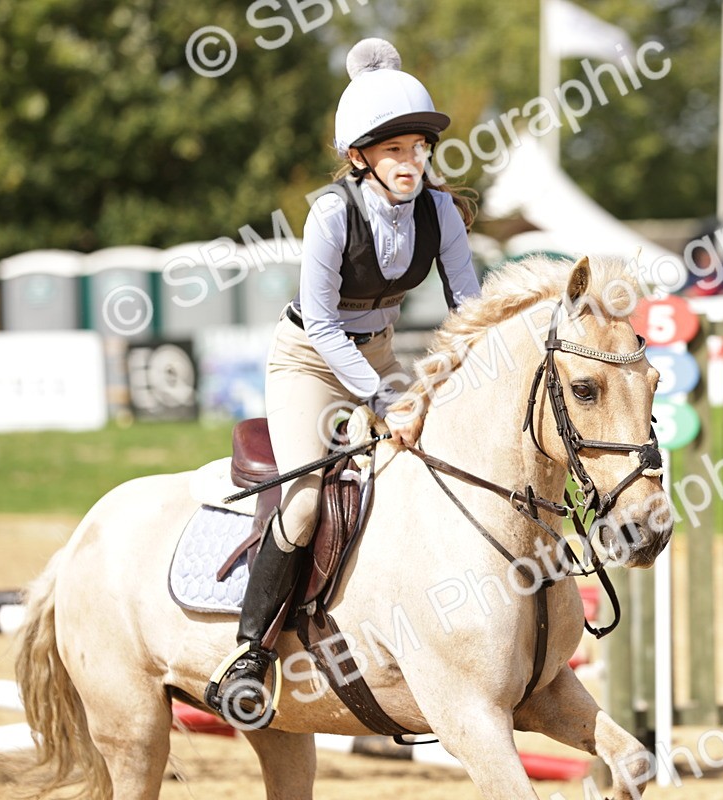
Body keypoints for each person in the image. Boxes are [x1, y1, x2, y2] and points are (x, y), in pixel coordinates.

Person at [207, 38, 481, 719]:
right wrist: (384, 394)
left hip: (382, 350)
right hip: (309, 357)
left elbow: (470, 308)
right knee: (303, 502)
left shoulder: (441, 211)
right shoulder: (331, 213)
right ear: (359, 155)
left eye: (418, 147)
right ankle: (251, 651)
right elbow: (325, 327)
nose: (411, 162)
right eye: (394, 150)